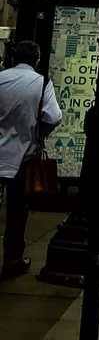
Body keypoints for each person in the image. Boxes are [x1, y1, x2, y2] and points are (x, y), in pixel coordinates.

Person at [0, 40, 62, 280]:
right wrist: (38, 134)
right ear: (37, 60)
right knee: (17, 211)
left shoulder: (2, 78)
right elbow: (53, 116)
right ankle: (13, 259)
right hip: (23, 156)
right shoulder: (42, 83)